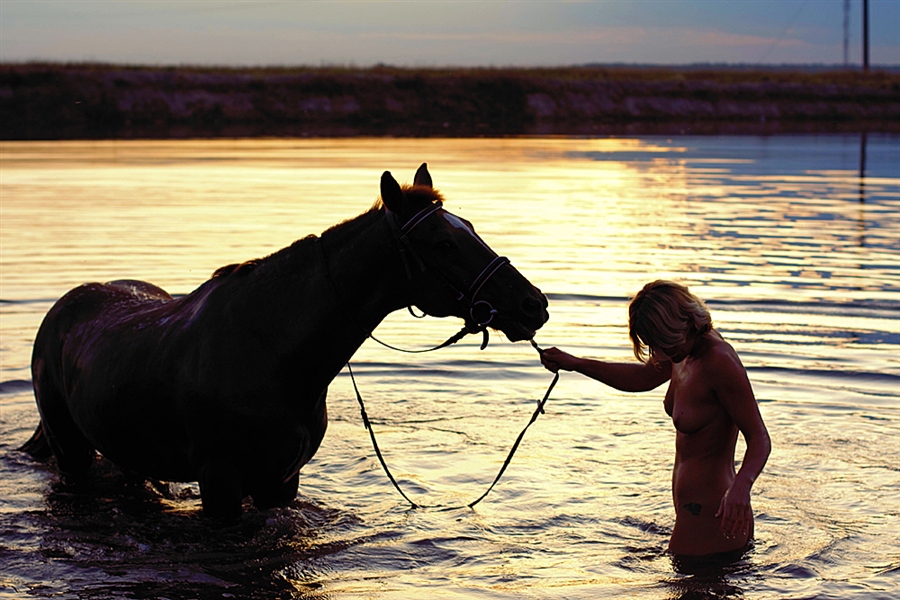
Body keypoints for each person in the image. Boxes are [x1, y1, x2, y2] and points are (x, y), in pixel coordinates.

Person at [540, 280, 770, 557]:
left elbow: (759, 438)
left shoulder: (718, 361)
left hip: (714, 517)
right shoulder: (682, 350)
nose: (659, 356)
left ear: (684, 324)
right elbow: (641, 378)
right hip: (692, 517)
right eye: (654, 346)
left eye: (663, 344)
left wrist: (741, 489)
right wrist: (575, 363)